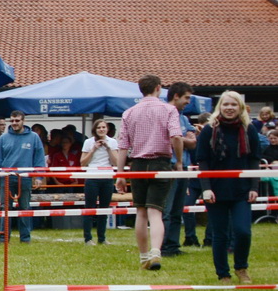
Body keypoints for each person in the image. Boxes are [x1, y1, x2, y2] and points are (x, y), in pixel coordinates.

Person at [195, 91, 262, 284]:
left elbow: (254, 160)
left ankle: (241, 268)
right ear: (219, 107)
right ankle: (223, 273)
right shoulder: (209, 130)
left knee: (243, 231)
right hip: (215, 189)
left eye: (234, 104)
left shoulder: (249, 129)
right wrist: (206, 187)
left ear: (240, 107)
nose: (230, 108)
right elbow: (203, 161)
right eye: (226, 104)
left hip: (242, 189)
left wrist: (254, 186)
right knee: (220, 234)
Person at [121, 75, 184, 271]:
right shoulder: (168, 109)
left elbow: (123, 145)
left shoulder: (129, 112)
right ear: (159, 88)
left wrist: (120, 172)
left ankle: (143, 256)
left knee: (140, 212)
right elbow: (176, 136)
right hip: (160, 163)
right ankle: (156, 251)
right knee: (155, 212)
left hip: (137, 164)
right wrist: (179, 161)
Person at [0, 110, 44, 243]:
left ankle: (25, 238)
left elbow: (39, 159)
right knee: (5, 208)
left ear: (23, 121)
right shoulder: (3, 138)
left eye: (17, 120)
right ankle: (3, 237)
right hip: (7, 178)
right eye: (12, 121)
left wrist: (39, 176)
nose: (14, 123)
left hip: (25, 177)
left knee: (24, 207)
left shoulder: (34, 137)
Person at [161, 83, 201, 256]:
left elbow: (193, 142)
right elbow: (171, 139)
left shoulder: (183, 118)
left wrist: (180, 139)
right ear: (176, 96)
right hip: (169, 165)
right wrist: (182, 139)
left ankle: (173, 245)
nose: (188, 102)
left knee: (178, 209)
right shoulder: (163, 113)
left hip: (183, 166)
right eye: (187, 98)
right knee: (167, 210)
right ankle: (162, 245)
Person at [79, 117, 124, 245]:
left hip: (107, 177)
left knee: (104, 208)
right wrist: (93, 149)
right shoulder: (88, 142)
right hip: (92, 177)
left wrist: (108, 148)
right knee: (90, 208)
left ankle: (102, 238)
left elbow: (116, 162)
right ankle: (88, 238)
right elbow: (82, 163)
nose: (101, 129)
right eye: (99, 127)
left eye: (103, 127)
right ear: (95, 130)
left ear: (107, 129)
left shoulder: (113, 142)